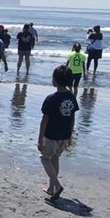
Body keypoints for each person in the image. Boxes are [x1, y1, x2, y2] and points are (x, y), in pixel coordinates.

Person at [38, 64, 79, 199]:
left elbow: (44, 121)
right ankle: (51, 188)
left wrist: (40, 139)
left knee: (44, 158)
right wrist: (70, 135)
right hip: (64, 134)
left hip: (51, 135)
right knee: (55, 157)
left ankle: (56, 184)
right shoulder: (71, 97)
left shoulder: (51, 99)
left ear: (55, 80)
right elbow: (72, 117)